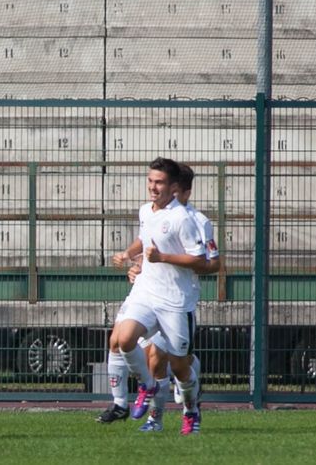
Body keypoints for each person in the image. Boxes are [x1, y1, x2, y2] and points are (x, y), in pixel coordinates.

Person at [101, 163, 220, 433]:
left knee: (178, 367)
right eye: (150, 181)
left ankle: (191, 411)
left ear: (175, 189)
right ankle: (146, 390)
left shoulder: (189, 220)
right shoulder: (145, 210)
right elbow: (145, 240)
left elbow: (206, 262)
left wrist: (162, 258)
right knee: (122, 339)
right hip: (147, 293)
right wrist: (133, 258)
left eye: (159, 183)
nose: (153, 187)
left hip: (176, 301)